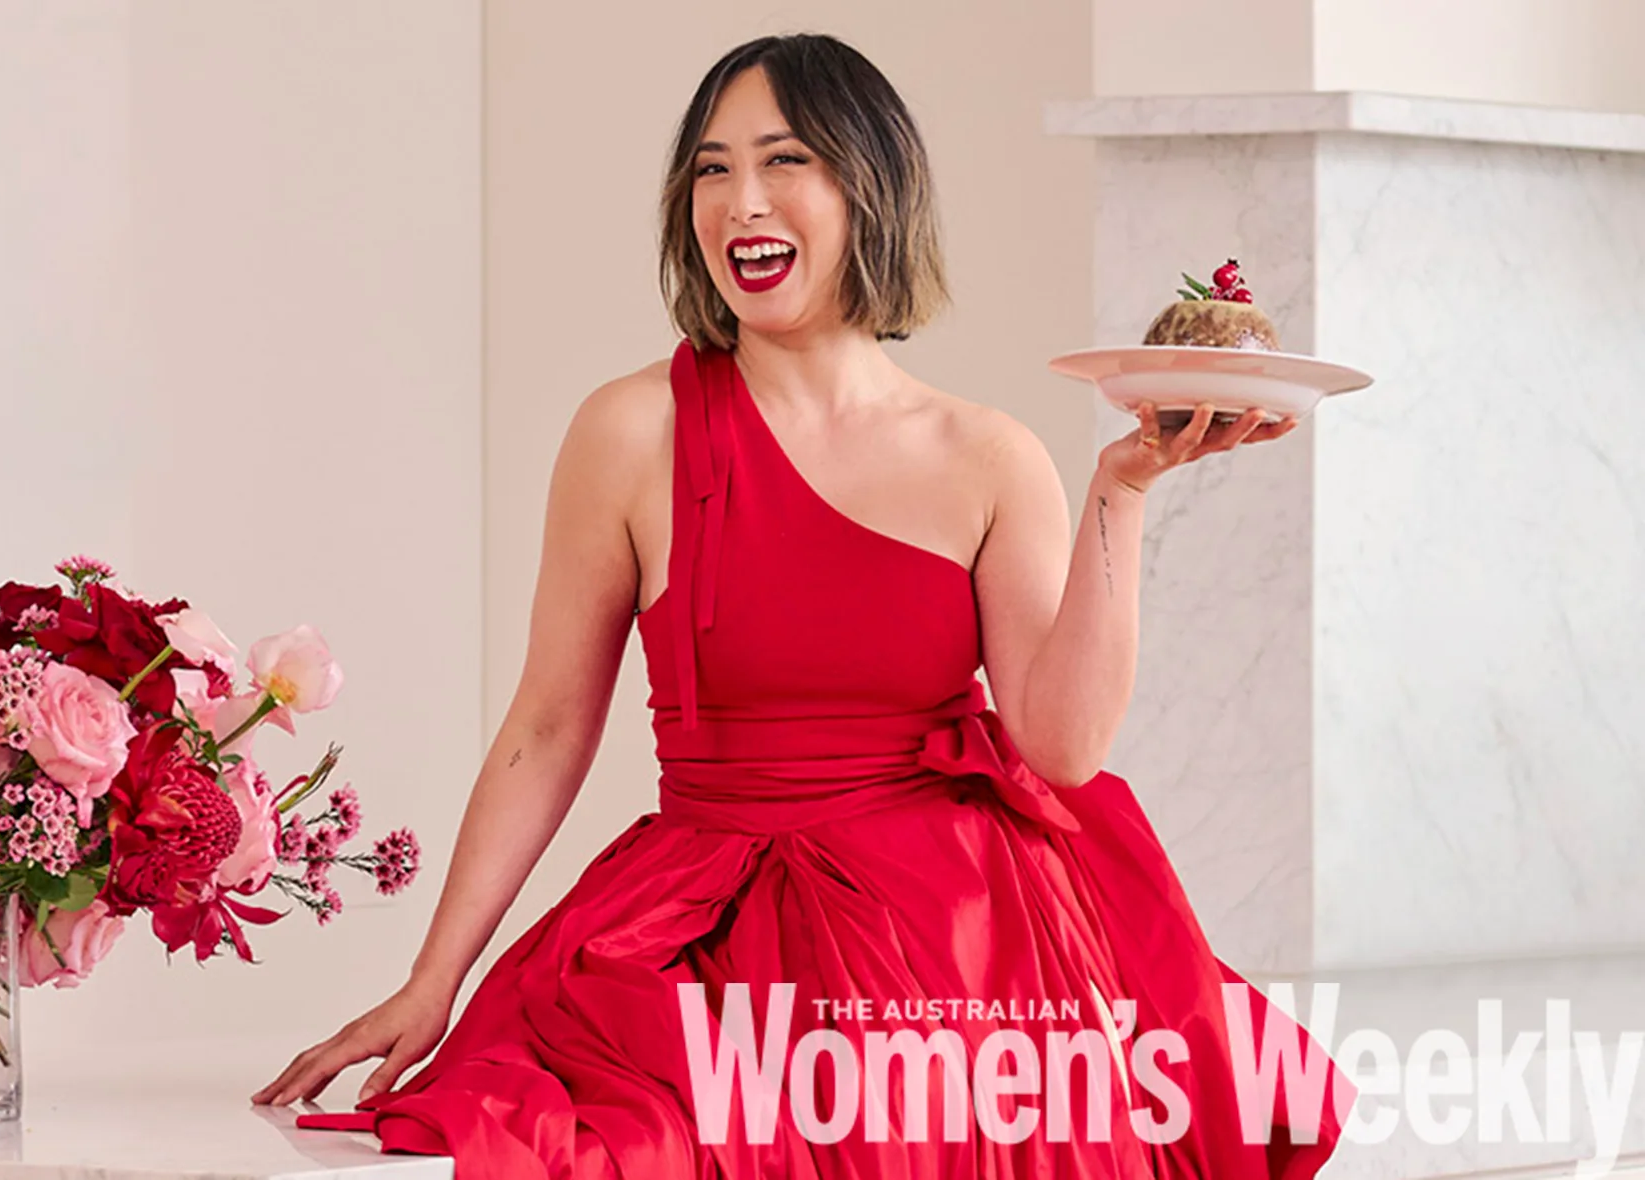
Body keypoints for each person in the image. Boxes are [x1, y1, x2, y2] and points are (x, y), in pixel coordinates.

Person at [254, 32, 1352, 1178]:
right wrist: (434, 982)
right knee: (635, 1144)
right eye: (712, 168)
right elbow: (546, 726)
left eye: (785, 161)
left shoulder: (988, 454)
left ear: (867, 188)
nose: (741, 201)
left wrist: (1122, 489)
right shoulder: (629, 433)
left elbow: (1062, 745)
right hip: (708, 917)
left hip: (957, 927)